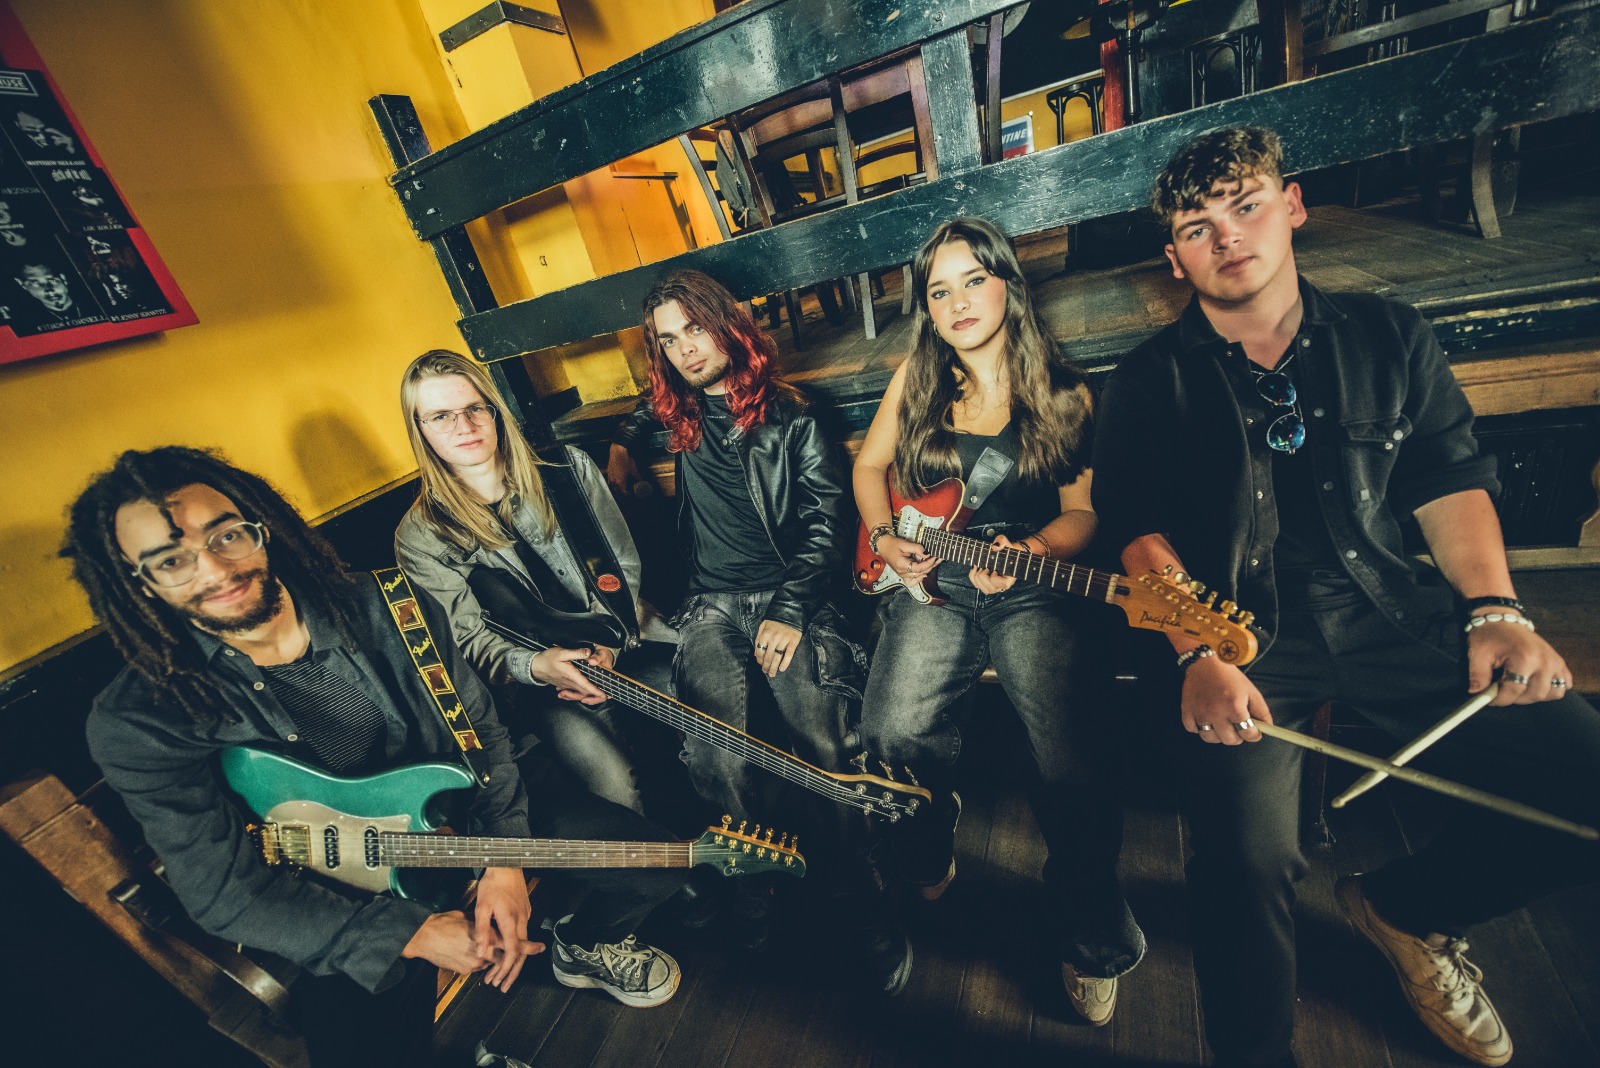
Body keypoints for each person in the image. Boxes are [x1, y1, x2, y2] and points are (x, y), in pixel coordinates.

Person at [1092, 126, 1600, 1068]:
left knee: (1589, 778)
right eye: (1199, 228)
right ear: (1175, 258)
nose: (1227, 237)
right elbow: (1137, 531)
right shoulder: (1146, 380)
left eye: (1246, 207)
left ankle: (1408, 909)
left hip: (1390, 611)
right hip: (1233, 635)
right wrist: (1195, 653)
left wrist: (1497, 611)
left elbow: (1448, 477)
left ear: (1293, 206)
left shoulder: (1387, 333)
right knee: (1244, 862)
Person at [66, 447, 686, 1066]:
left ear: (262, 528)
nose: (214, 568)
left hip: (464, 805)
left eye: (226, 535)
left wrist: (504, 858)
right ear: (139, 584)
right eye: (171, 560)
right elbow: (224, 887)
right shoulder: (140, 719)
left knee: (659, 866)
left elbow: (479, 732)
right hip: (345, 882)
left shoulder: (392, 606)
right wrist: (408, 932)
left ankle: (578, 946)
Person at [852, 216, 1145, 1026]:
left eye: (973, 280)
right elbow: (870, 466)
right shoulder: (917, 379)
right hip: (933, 572)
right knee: (890, 730)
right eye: (938, 291)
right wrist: (884, 536)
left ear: (1009, 285)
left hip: (1033, 577)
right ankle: (926, 837)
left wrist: (1033, 548)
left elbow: (1085, 513)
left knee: (1072, 752)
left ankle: (1093, 935)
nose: (957, 302)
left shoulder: (1064, 392)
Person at [619, 267, 911, 990]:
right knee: (713, 755)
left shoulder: (793, 417)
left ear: (726, 324)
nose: (685, 349)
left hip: (791, 598)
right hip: (710, 607)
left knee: (823, 747)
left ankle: (861, 894)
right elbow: (636, 417)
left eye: (695, 328)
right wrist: (622, 450)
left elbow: (826, 522)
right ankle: (756, 879)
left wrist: (789, 609)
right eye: (669, 340)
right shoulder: (676, 412)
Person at [394, 349, 676, 816]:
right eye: (441, 416)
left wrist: (609, 645)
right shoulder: (421, 536)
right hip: (543, 685)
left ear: (494, 410)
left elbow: (622, 565)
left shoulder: (569, 470)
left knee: (709, 735)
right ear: (419, 429)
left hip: (628, 639)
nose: (464, 426)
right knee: (617, 789)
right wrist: (537, 666)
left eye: (474, 407)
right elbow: (467, 640)